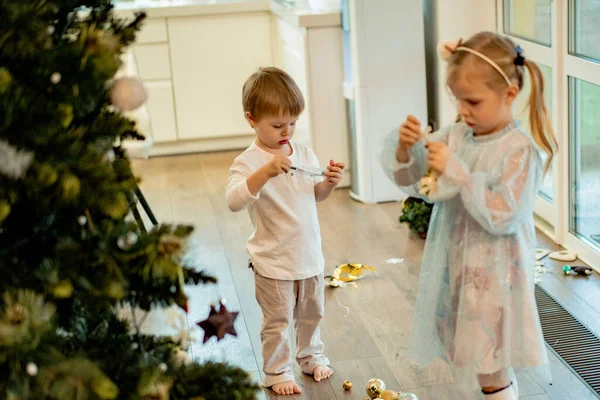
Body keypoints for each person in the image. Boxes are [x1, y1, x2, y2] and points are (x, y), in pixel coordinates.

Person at [382, 32, 557, 399]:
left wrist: (458, 172)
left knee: (490, 364)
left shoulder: (519, 150)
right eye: (458, 100)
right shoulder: (459, 135)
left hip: (498, 278)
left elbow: (505, 214)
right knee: (480, 362)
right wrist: (407, 148)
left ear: (509, 93)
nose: (463, 110)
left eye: (473, 101)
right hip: (461, 270)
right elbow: (416, 181)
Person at [226, 67, 345, 395]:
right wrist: (264, 173)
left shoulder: (303, 153)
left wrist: (328, 185)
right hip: (273, 262)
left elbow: (314, 196)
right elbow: (234, 201)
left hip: (309, 257)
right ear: (252, 119)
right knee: (277, 322)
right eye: (277, 125)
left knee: (312, 313)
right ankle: (277, 372)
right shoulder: (249, 161)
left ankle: (310, 356)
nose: (286, 131)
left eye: (292, 123)